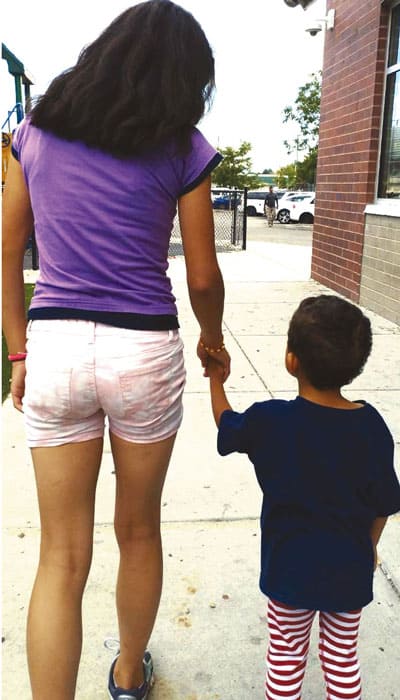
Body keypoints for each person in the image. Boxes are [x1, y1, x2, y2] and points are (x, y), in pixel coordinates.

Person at [2, 2, 231, 699]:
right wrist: (213, 341)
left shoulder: (33, 132)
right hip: (144, 350)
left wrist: (17, 354)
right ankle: (129, 675)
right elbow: (200, 274)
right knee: (138, 529)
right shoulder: (182, 145)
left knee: (61, 557)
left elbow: (6, 252)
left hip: (58, 348)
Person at [206, 294, 400, 700]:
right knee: (343, 658)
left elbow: (226, 423)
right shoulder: (372, 427)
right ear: (356, 365)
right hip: (348, 571)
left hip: (287, 570)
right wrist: (369, 547)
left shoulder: (269, 421)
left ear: (292, 360)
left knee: (285, 656)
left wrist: (215, 380)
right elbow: (384, 503)